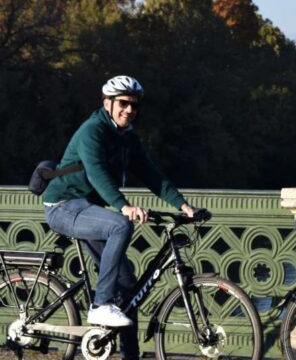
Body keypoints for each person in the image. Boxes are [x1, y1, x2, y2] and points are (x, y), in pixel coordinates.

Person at [43, 75, 196, 360]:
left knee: (128, 286)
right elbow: (95, 172)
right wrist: (123, 206)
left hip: (88, 210)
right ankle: (101, 304)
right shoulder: (93, 130)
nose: (129, 110)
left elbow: (151, 173)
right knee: (119, 224)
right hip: (63, 206)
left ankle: (130, 356)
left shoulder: (127, 137)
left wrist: (184, 205)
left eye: (134, 106)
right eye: (123, 103)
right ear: (107, 103)